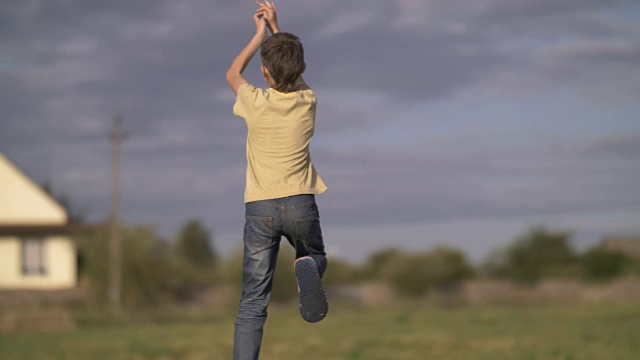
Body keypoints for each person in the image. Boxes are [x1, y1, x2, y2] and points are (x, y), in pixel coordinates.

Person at [226, 1, 329, 359]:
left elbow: (233, 73)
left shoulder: (254, 102)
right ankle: (308, 267)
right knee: (315, 256)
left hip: (260, 208)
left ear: (265, 74)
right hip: (301, 201)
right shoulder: (307, 101)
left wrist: (258, 33)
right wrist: (276, 28)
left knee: (253, 301)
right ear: (301, 68)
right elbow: (291, 70)